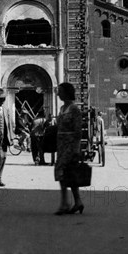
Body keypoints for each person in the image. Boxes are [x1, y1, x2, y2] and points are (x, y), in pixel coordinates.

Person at [54, 82, 84, 215]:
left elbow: (78, 132)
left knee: (63, 172)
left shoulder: (74, 109)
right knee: (68, 174)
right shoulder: (61, 109)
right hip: (61, 146)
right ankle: (77, 202)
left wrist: (76, 150)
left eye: (60, 91)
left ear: (66, 92)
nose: (58, 93)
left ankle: (65, 203)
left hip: (70, 146)